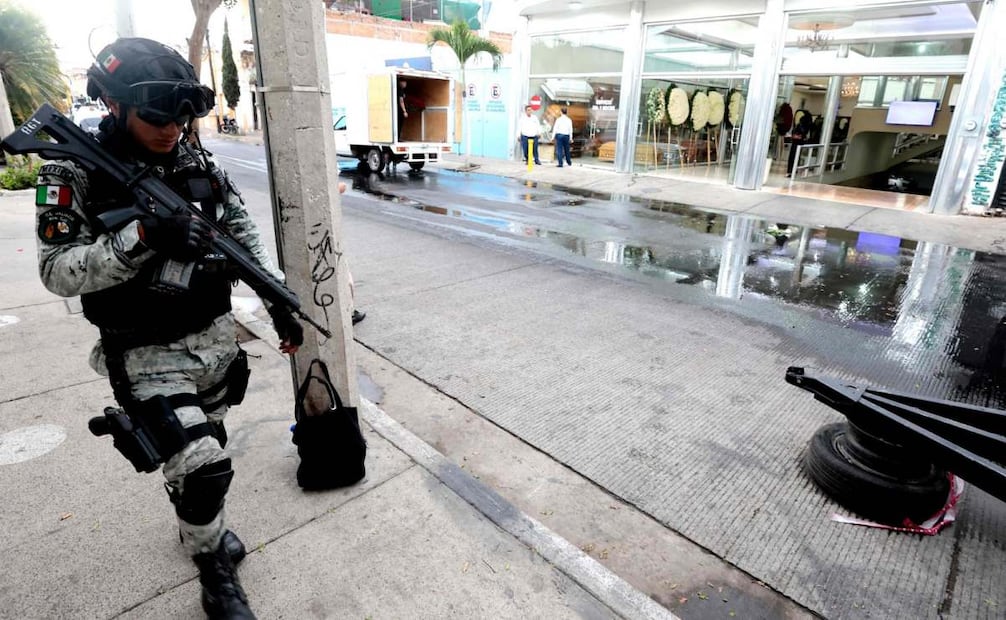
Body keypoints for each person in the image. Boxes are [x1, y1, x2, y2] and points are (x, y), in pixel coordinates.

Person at [34, 37, 300, 619]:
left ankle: (196, 525)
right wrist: (143, 239)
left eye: (182, 116)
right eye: (157, 116)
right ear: (114, 106)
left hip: (214, 343)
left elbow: (242, 237)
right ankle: (215, 574)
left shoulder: (192, 159)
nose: (172, 129)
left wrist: (277, 298)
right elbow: (57, 271)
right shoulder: (72, 168)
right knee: (206, 470)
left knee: (209, 448)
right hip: (143, 350)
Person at [787, 112, 814, 177]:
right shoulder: (807, 125)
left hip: (796, 142)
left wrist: (797, 136)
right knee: (796, 157)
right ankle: (793, 171)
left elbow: (797, 134)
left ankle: (791, 171)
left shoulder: (800, 125)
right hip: (799, 142)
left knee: (792, 157)